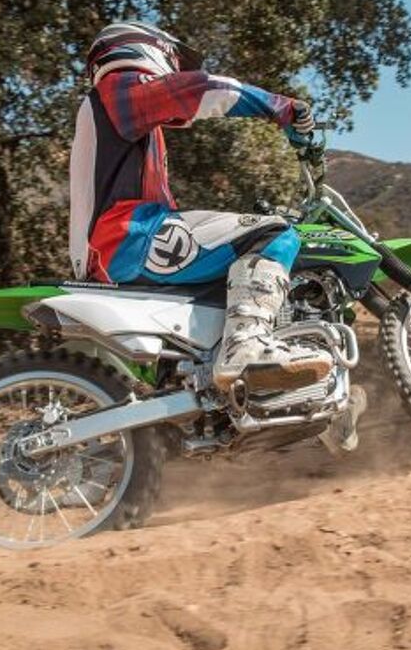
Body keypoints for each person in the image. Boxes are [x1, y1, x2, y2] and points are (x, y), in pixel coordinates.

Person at [69, 21, 333, 393]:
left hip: (124, 242)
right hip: (126, 239)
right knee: (273, 233)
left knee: (226, 271)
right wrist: (281, 107)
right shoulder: (120, 91)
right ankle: (245, 347)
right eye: (174, 60)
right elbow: (197, 90)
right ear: (147, 48)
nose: (176, 69)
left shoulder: (119, 115)